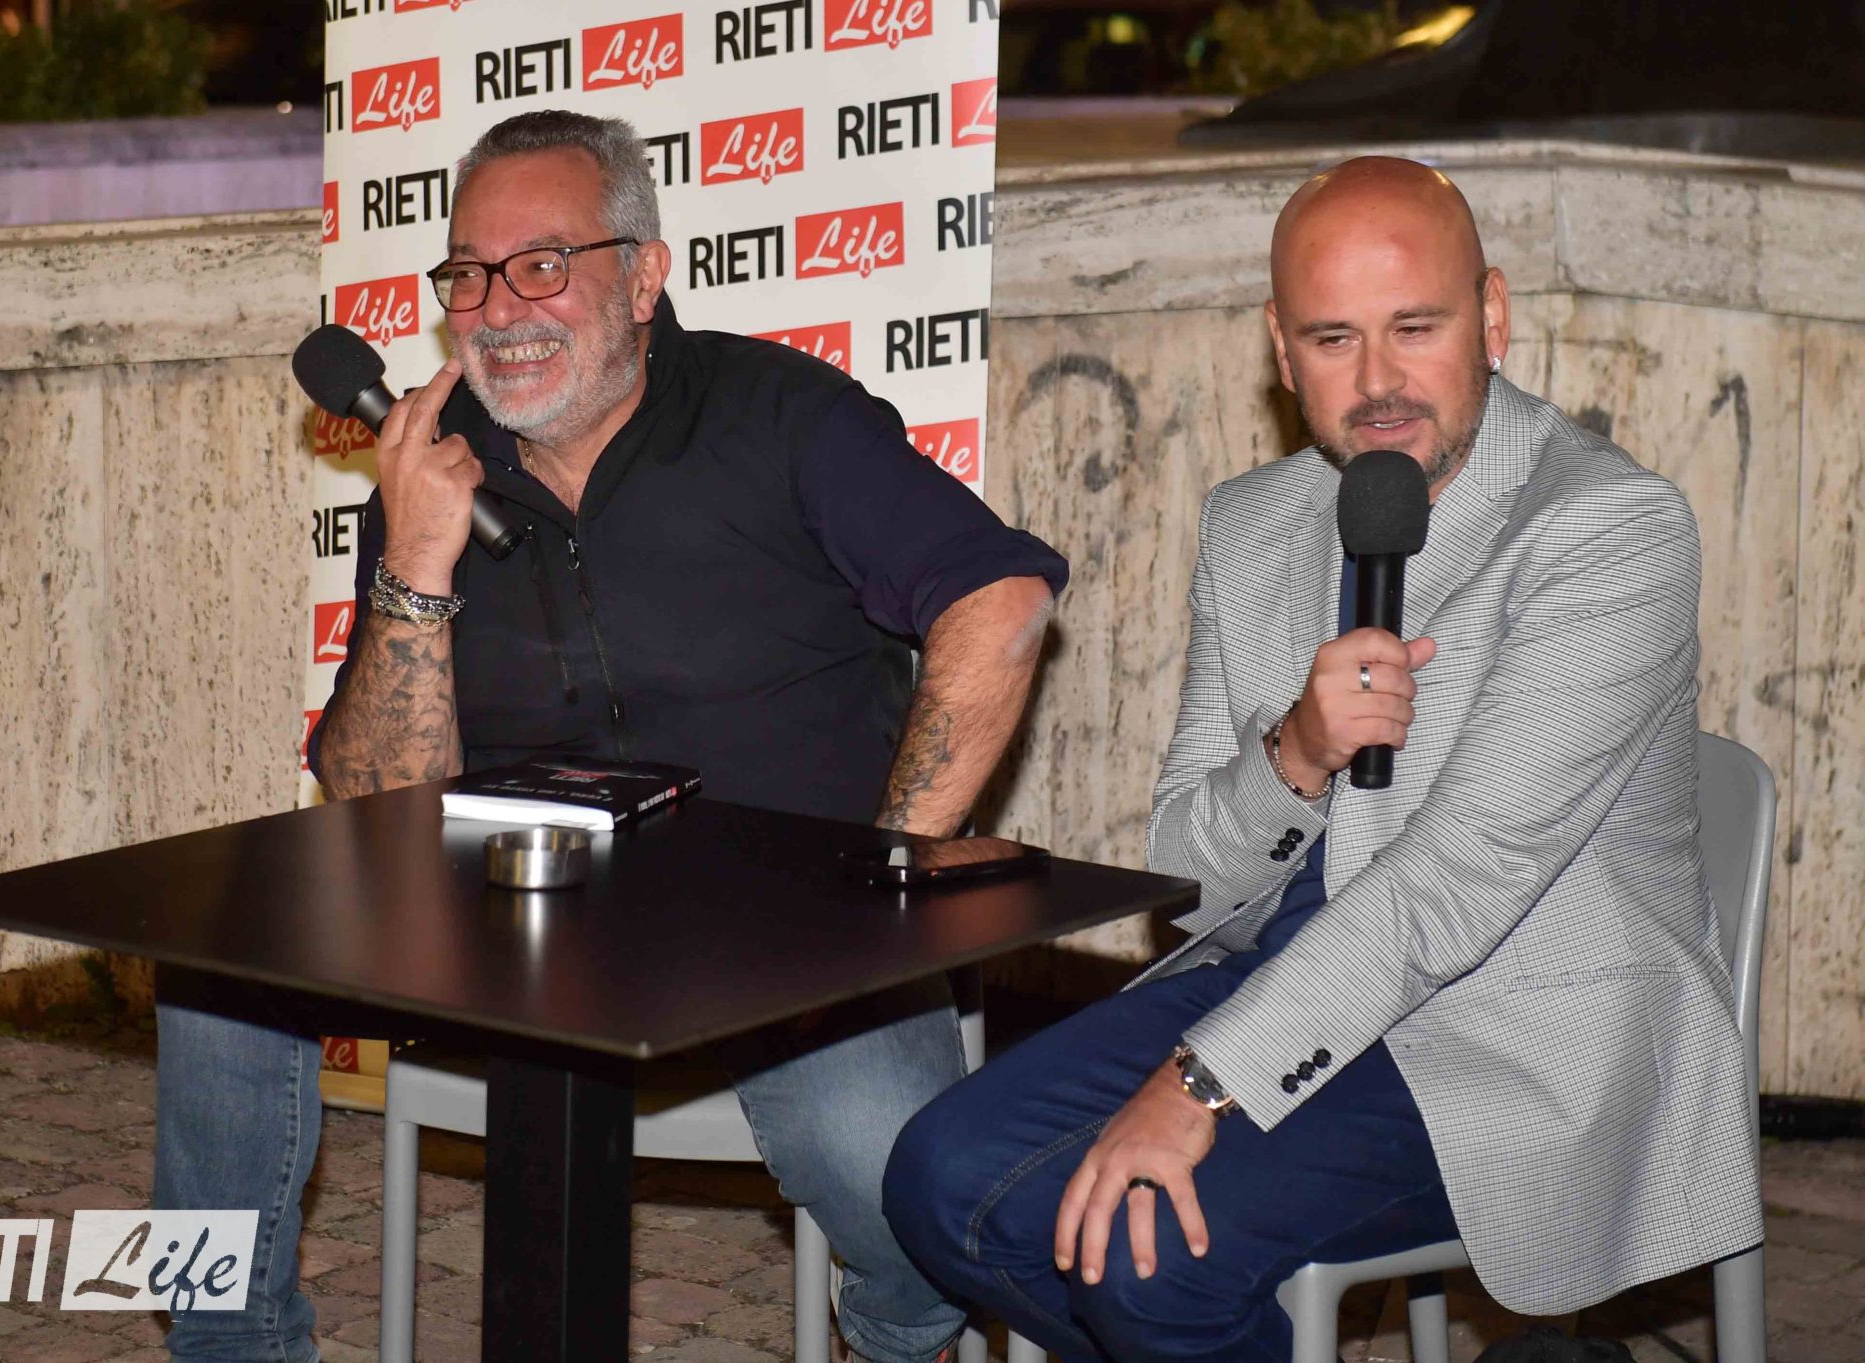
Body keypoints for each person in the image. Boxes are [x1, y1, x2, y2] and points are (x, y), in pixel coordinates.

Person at [155, 110, 1067, 1363]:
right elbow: (370, 799)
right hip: (506, 923)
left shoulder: (778, 415)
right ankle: (230, 1350)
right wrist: (415, 563)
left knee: (893, 1170)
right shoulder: (433, 472)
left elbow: (999, 599)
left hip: (785, 936)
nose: (498, 310)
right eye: (468, 274)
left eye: (543, 265)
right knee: (216, 958)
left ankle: (898, 1341)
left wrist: (886, 875)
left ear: (642, 277)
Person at [883, 156, 1763, 1362]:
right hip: (1284, 972)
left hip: (1512, 1035)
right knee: (940, 1181)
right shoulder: (1251, 523)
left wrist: (1197, 1087)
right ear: (1279, 349)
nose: (1378, 381)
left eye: (1415, 327)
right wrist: (1293, 752)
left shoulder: (1607, 529)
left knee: (1151, 1263)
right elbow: (1188, 875)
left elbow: (1455, 883)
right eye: (1332, 338)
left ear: (1491, 316)